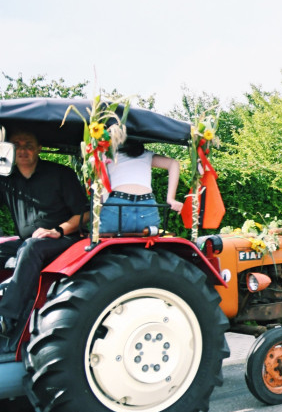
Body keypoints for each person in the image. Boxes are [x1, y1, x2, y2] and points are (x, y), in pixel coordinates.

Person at [0, 130, 89, 354]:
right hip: (28, 241)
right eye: (17, 144)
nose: (23, 149)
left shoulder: (60, 174)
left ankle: (5, 318)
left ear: (39, 148)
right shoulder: (6, 179)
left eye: (29, 144)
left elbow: (85, 214)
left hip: (65, 240)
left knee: (31, 247)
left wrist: (58, 230)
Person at [99, 140, 183, 234]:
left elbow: (100, 186)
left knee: (104, 240)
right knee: (148, 244)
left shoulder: (107, 154)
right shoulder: (147, 155)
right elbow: (173, 163)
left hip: (118, 204)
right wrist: (171, 199)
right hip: (147, 205)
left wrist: (99, 208)